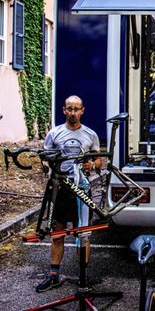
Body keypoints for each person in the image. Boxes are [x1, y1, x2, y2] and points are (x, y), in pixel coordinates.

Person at [36, 95, 102, 293]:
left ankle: (83, 276)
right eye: (69, 109)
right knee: (57, 232)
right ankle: (54, 275)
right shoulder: (54, 133)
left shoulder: (90, 134)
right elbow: (45, 158)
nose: (73, 112)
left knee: (83, 234)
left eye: (76, 109)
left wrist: (92, 165)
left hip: (81, 188)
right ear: (64, 110)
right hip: (60, 189)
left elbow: (99, 161)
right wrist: (47, 166)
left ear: (82, 111)